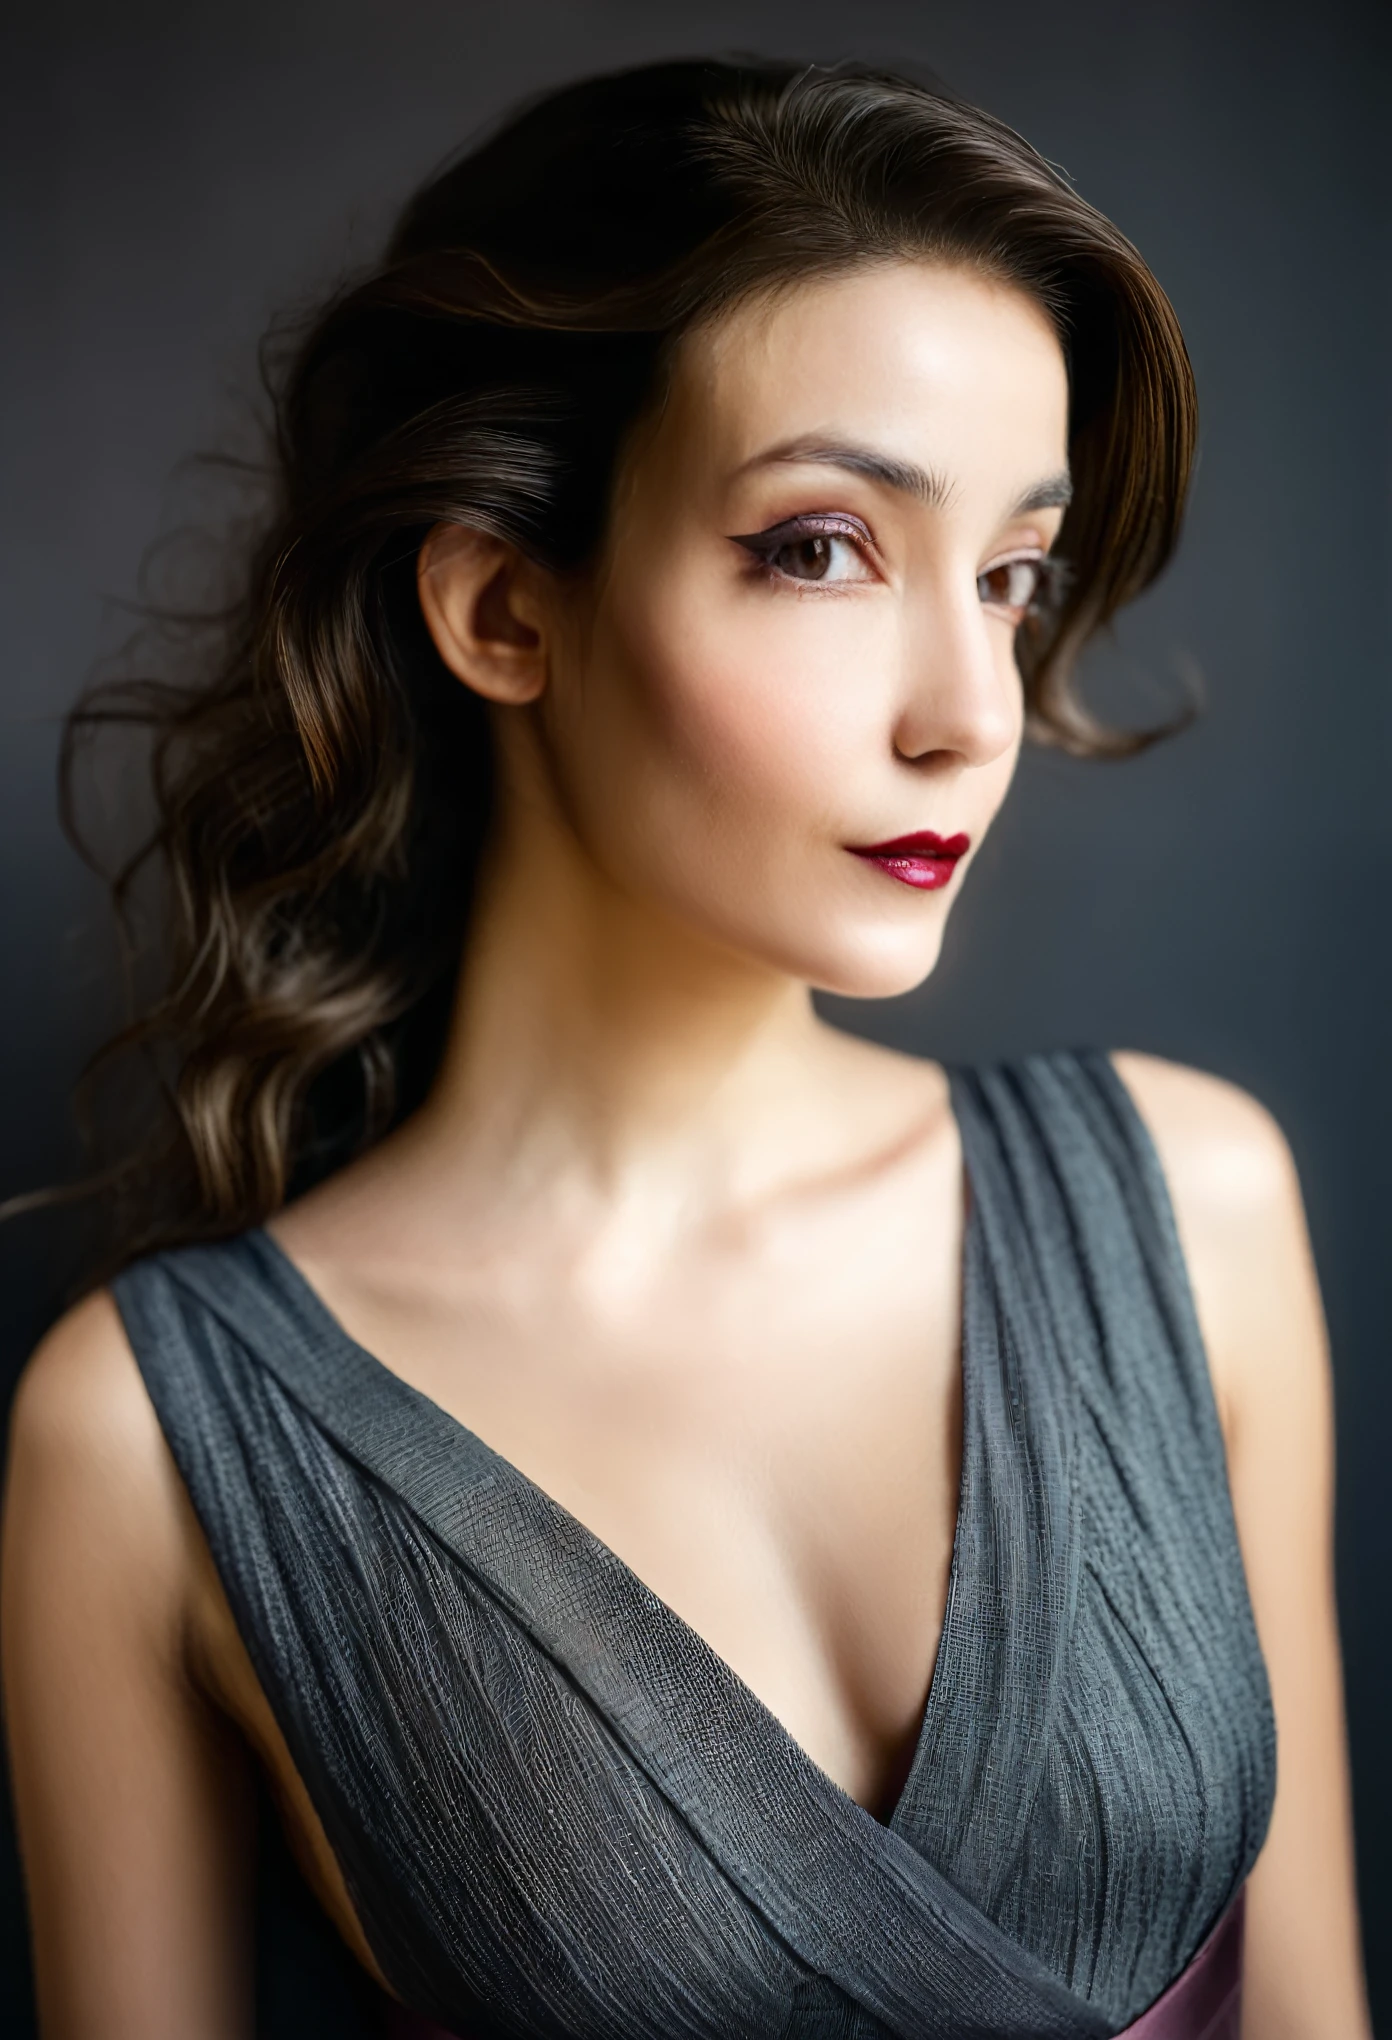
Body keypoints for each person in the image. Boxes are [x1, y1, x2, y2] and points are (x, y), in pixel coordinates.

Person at [0, 56, 1371, 2040]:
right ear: (499, 608)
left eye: (1015, 577)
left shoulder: (1192, 1203)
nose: (968, 710)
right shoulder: (141, 1440)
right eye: (822, 547)